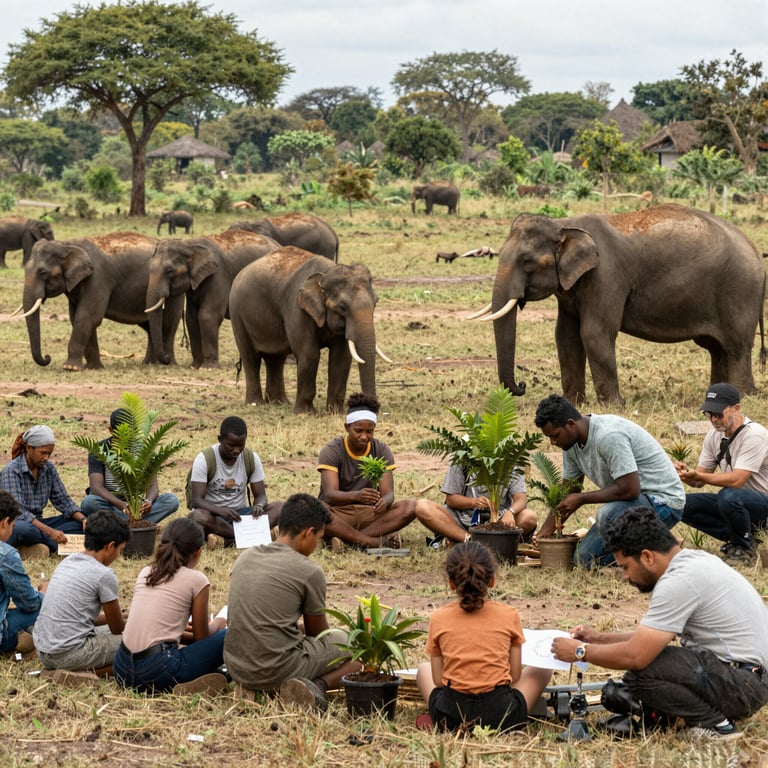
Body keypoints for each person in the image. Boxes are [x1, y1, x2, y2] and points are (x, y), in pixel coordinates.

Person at [551, 506, 768, 741]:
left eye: (625, 567)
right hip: (747, 679)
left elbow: (636, 655)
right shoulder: (694, 562)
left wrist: (581, 652)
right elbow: (653, 637)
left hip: (743, 686)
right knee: (653, 660)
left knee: (641, 673)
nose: (624, 576)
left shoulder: (678, 581)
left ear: (647, 556)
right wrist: (598, 638)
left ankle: (716, 726)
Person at [223, 493, 362, 709]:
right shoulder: (309, 571)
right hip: (274, 669)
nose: (316, 546)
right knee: (352, 645)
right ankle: (315, 686)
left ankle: (252, 688)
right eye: (318, 539)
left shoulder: (246, 556)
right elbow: (319, 634)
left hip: (236, 667)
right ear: (308, 534)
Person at [533, 394, 685, 568]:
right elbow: (570, 490)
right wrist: (546, 530)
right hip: (628, 506)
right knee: (584, 560)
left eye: (555, 435)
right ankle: (656, 544)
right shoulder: (570, 444)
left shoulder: (608, 435)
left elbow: (630, 489)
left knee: (607, 514)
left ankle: (663, 549)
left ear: (570, 424)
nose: (552, 442)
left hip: (662, 502)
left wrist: (582, 499)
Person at [416, 540, 551, 732]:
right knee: (542, 670)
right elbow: (514, 675)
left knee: (423, 669)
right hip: (502, 715)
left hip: (451, 716)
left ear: (451, 583)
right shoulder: (509, 614)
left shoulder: (438, 618)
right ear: (492, 579)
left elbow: (438, 680)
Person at [112, 518, 228, 695]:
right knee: (231, 636)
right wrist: (219, 622)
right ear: (198, 552)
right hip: (158, 670)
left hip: (121, 669)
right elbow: (202, 637)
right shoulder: (197, 580)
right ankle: (191, 682)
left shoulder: (147, 571)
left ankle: (200, 678)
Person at [676, 383, 768, 567]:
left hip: (762, 504)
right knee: (679, 504)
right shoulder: (714, 436)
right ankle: (741, 538)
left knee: (728, 495)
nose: (713, 419)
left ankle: (743, 549)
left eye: (718, 413)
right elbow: (699, 480)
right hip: (738, 504)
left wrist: (699, 477)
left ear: (736, 409)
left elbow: (737, 480)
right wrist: (684, 474)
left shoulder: (754, 435)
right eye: (709, 414)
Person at [33, 509, 129, 681]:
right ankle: (78, 675)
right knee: (137, 642)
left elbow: (79, 617)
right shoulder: (104, 575)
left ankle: (59, 671)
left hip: (44, 650)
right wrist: (132, 622)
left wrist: (123, 616)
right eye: (120, 550)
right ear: (110, 546)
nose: (118, 555)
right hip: (68, 654)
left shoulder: (69, 560)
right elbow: (118, 629)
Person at [317, 393, 416, 549]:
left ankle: (347, 540)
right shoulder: (331, 450)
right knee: (313, 509)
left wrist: (385, 501)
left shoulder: (381, 450)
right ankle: (372, 541)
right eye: (358, 431)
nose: (364, 436)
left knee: (410, 506)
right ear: (346, 427)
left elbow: (389, 493)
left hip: (371, 514)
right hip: (338, 514)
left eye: (369, 431)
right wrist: (357, 495)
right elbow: (330, 494)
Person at [188, 416, 282, 550]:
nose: (236, 450)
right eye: (231, 445)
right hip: (214, 516)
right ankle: (253, 536)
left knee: (282, 508)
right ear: (220, 439)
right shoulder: (204, 459)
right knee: (197, 517)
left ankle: (227, 541)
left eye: (241, 445)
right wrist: (222, 511)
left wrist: (259, 506)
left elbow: (261, 495)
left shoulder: (251, 458)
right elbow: (197, 500)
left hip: (241, 516)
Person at [0, 425, 86, 560]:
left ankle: (40, 546)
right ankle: (57, 546)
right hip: (16, 525)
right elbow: (18, 512)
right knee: (24, 530)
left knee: (77, 525)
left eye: (49, 454)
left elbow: (63, 500)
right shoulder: (12, 471)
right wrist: (51, 532)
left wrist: (83, 519)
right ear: (29, 448)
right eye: (43, 453)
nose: (46, 458)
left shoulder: (48, 468)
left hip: (38, 524)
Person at [81, 408, 179, 525]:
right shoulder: (99, 450)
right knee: (89, 502)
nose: (127, 439)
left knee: (171, 500)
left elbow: (152, 484)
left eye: (130, 433)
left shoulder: (142, 449)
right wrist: (122, 505)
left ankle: (121, 523)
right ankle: (135, 523)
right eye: (122, 434)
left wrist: (148, 501)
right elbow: (96, 488)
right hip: (110, 505)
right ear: (111, 430)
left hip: (137, 507)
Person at [415, 463, 538, 546]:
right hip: (461, 519)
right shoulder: (461, 456)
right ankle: (470, 540)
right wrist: (474, 502)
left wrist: (510, 512)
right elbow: (451, 499)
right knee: (422, 507)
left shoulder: (512, 459)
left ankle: (459, 541)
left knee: (529, 517)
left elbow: (521, 499)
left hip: (499, 522)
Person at [0, 490, 47, 655]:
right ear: (4, 523)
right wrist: (43, 593)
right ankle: (15, 640)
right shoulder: (6, 554)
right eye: (13, 526)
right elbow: (29, 603)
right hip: (2, 636)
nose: (12, 531)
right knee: (44, 607)